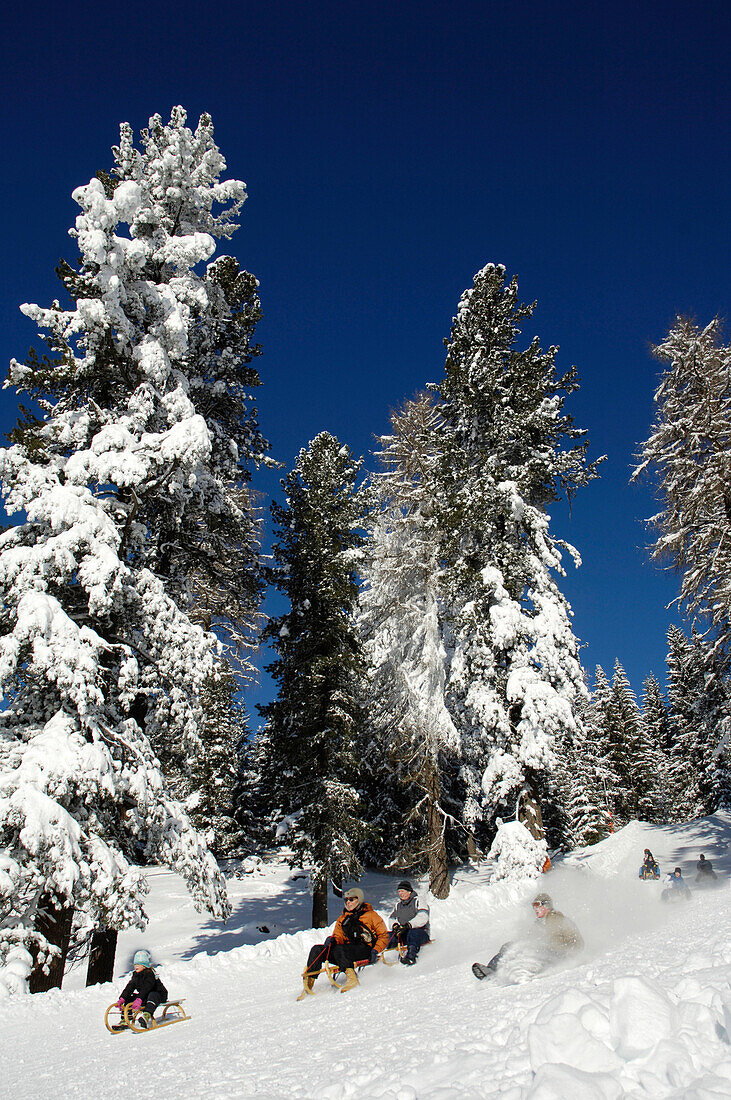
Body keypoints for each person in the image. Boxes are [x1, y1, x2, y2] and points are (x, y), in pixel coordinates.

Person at [297, 887, 389, 999]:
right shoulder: (343, 918)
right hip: (345, 952)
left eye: (351, 900)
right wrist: (333, 940)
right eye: (346, 900)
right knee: (317, 949)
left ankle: (352, 978)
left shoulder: (371, 916)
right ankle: (309, 983)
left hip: (365, 949)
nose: (348, 903)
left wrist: (376, 950)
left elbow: (383, 936)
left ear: (359, 900)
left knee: (340, 949)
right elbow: (338, 935)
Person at [472, 892, 583, 982]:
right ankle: (493, 970)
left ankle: (513, 972)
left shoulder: (559, 920)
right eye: (533, 906)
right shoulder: (538, 924)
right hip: (544, 951)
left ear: (546, 906)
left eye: (537, 905)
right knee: (510, 946)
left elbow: (578, 942)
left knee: (529, 950)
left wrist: (568, 952)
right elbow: (527, 940)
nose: (535, 909)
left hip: (559, 954)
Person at [116, 949, 168, 1028]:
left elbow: (147, 988)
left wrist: (139, 999)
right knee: (130, 997)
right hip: (145, 996)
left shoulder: (150, 974)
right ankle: (125, 1019)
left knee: (152, 994)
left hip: (159, 995)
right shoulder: (136, 975)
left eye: (138, 964)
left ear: (144, 965)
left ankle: (146, 1016)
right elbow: (129, 987)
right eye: (135, 964)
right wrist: (122, 998)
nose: (136, 966)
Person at [387, 881, 430, 966]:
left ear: (409, 892)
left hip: (419, 933)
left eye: (402, 891)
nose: (400, 894)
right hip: (405, 933)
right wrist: (395, 925)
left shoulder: (418, 901)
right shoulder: (398, 905)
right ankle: (386, 956)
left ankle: (411, 956)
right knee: (388, 935)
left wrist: (409, 925)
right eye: (399, 892)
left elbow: (423, 916)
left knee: (413, 933)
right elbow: (392, 918)